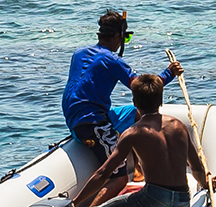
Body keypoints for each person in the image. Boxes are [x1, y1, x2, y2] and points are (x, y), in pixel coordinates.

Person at [71, 70, 210, 207]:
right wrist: (207, 184)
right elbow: (196, 168)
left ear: (135, 102)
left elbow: (103, 173)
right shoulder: (179, 126)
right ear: (160, 101)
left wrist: (75, 203)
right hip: (182, 201)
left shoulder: (133, 132)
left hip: (154, 201)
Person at [61, 9, 175, 151]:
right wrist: (169, 73)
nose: (123, 43)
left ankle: (140, 156)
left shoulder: (78, 53)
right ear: (117, 36)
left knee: (136, 113)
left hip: (73, 119)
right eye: (125, 38)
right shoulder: (112, 61)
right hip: (90, 124)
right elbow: (144, 89)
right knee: (118, 165)